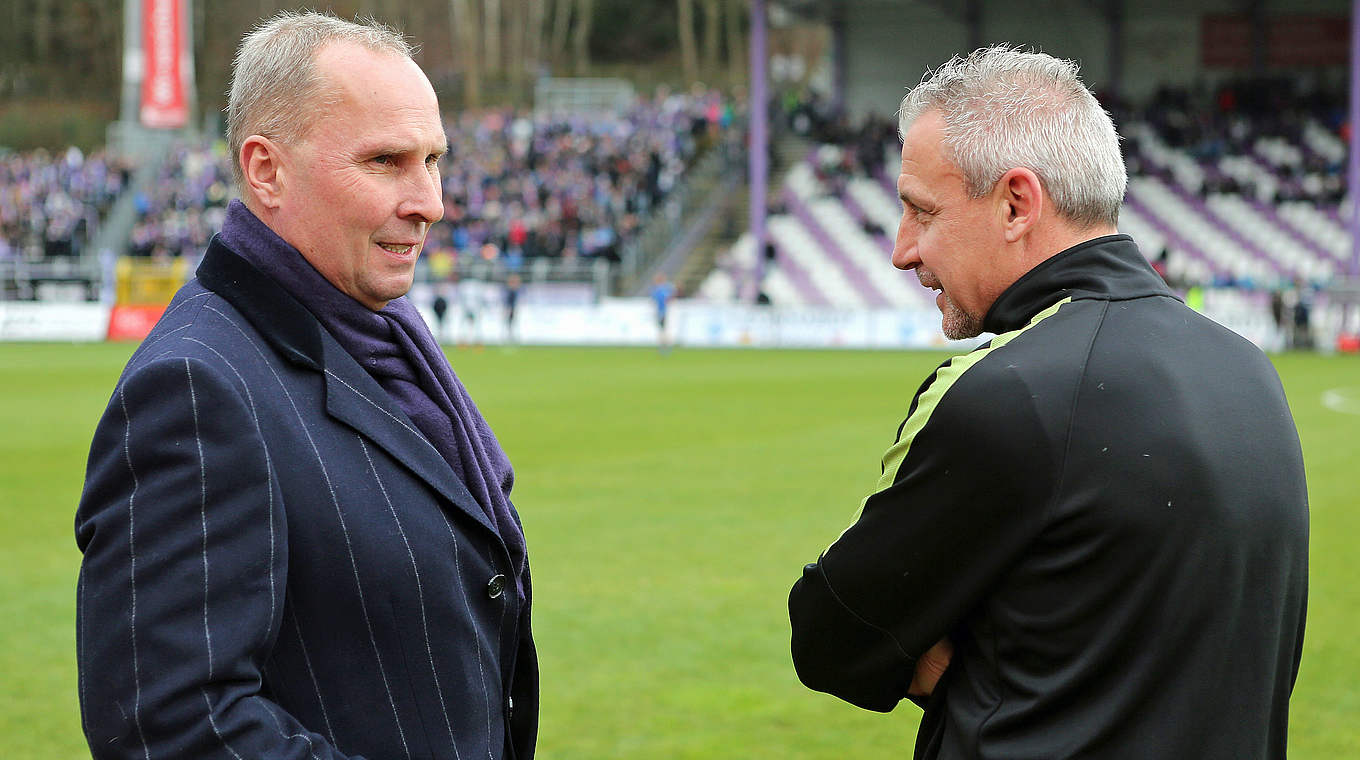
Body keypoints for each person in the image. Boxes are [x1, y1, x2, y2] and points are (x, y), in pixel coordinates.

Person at [788, 46, 1307, 760]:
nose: (902, 251)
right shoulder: (1251, 373)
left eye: (921, 212)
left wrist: (980, 672)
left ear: (1015, 203)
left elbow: (831, 633)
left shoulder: (1011, 390)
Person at [75, 12, 537, 759]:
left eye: (434, 159)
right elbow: (171, 728)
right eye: (386, 161)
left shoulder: (383, 332)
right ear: (266, 170)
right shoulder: (195, 390)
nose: (431, 201)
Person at [650, 273, 676, 353]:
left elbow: (654, 301)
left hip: (662, 312)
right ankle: (665, 346)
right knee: (663, 330)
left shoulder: (659, 290)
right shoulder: (666, 289)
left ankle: (664, 347)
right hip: (663, 312)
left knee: (662, 330)